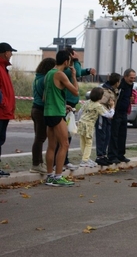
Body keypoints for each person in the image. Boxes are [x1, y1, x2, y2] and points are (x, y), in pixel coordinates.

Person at [54, 46, 96, 171]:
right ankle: (61, 161)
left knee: (67, 134)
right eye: (74, 55)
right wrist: (77, 60)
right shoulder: (64, 72)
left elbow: (78, 72)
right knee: (65, 135)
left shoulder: (66, 71)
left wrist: (87, 71)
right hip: (67, 105)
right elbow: (76, 73)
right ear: (69, 58)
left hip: (70, 105)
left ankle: (63, 160)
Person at [43, 50, 79, 186]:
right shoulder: (60, 74)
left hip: (48, 112)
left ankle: (50, 176)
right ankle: (58, 177)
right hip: (57, 113)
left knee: (51, 145)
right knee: (64, 144)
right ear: (66, 61)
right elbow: (75, 92)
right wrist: (74, 76)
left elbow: (45, 96)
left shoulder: (48, 74)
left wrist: (63, 105)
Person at [30, 58, 56, 174]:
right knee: (40, 138)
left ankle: (39, 163)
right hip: (41, 110)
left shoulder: (37, 78)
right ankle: (36, 164)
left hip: (35, 108)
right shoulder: (45, 80)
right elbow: (47, 96)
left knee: (38, 137)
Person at [78, 87, 115, 167]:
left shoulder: (87, 102)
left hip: (81, 123)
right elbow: (109, 115)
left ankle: (85, 158)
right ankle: (85, 161)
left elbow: (80, 112)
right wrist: (112, 107)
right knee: (89, 143)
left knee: (83, 141)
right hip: (89, 125)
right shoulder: (98, 106)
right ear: (101, 97)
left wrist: (78, 121)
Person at [107, 68, 136, 164]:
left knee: (122, 134)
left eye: (134, 78)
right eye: (131, 78)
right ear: (125, 77)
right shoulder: (120, 85)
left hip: (124, 113)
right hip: (117, 112)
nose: (132, 80)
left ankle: (120, 154)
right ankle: (112, 155)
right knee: (114, 134)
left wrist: (130, 100)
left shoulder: (130, 85)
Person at [94, 73, 120, 166]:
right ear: (117, 82)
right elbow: (100, 103)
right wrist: (110, 106)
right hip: (102, 115)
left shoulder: (113, 90)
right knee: (102, 135)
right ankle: (100, 156)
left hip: (108, 115)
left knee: (107, 135)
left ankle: (103, 155)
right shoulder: (106, 91)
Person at [0, 42, 17, 178]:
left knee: (1, 139)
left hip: (4, 111)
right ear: (6, 52)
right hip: (1, 111)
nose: (11, 55)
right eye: (11, 52)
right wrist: (4, 104)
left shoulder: (3, 67)